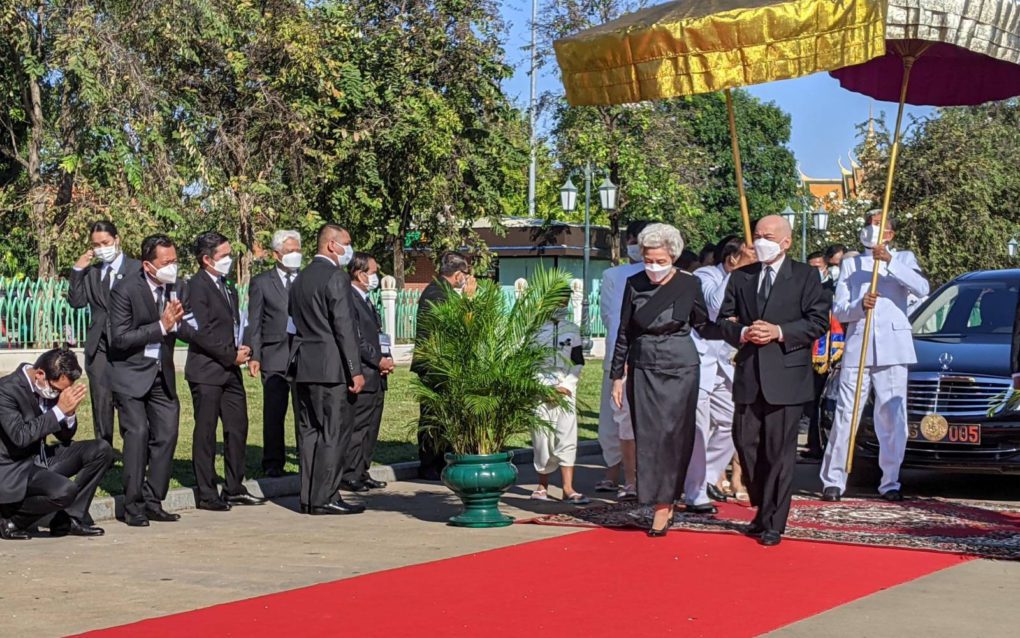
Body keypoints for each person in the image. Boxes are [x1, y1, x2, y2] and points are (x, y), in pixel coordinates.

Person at [715, 215, 829, 546]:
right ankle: (763, 507)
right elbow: (723, 320)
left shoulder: (806, 277)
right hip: (750, 373)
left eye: (767, 236)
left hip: (787, 374)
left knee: (780, 452)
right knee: (746, 442)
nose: (760, 241)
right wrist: (743, 332)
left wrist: (780, 332)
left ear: (785, 242)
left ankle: (774, 522)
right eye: (757, 235)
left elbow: (818, 321)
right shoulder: (742, 277)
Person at [610, 223, 715, 537]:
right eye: (649, 260)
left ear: (673, 256)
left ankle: (664, 503)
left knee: (674, 436)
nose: (654, 267)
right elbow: (624, 332)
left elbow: (704, 325)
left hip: (681, 366)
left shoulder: (689, 284)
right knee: (649, 437)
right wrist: (617, 375)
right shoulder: (634, 283)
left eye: (660, 260)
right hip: (643, 366)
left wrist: (739, 332)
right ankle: (653, 497)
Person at [820, 212, 929, 502]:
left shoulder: (904, 258)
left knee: (892, 415)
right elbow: (840, 309)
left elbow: (923, 289)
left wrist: (890, 262)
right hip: (860, 345)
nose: (871, 228)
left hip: (893, 346)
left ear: (890, 234)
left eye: (878, 224)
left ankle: (890, 480)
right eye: (868, 222)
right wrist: (859, 305)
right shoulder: (851, 264)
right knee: (846, 412)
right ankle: (834, 479)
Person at [108, 234, 213, 527]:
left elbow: (186, 326)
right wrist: (160, 326)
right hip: (130, 374)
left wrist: (186, 327)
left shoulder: (177, 287)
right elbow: (119, 338)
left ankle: (154, 499)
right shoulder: (125, 290)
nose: (172, 267)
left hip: (161, 374)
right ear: (147, 265)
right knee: (138, 434)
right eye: (166, 262)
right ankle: (133, 506)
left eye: (175, 260)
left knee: (166, 435)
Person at [289, 224, 366, 515]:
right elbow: (344, 327)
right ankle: (327, 496)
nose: (350, 249)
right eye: (346, 243)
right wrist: (354, 369)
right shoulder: (336, 277)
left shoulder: (301, 278)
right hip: (332, 369)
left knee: (309, 433)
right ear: (332, 245)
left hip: (305, 365)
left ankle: (309, 497)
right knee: (334, 432)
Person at [184, 231, 265, 511]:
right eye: (224, 255)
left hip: (231, 370)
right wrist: (230, 354)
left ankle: (234, 485)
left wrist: (241, 350)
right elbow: (201, 331)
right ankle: (207, 492)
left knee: (237, 427)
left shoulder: (226, 285)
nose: (229, 260)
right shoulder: (195, 287)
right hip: (207, 370)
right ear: (207, 259)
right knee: (206, 432)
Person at [0, 348, 112, 540]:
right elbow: (20, 436)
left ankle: (69, 518)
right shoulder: (7, 390)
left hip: (40, 459)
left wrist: (68, 414)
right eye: (56, 390)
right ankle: (13, 521)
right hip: (14, 468)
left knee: (101, 450)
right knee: (65, 490)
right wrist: (59, 410)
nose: (57, 395)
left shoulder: (49, 389)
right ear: (40, 374)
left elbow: (65, 436)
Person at [684, 236, 755, 512]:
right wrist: (737, 272)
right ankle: (696, 491)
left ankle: (709, 473)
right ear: (732, 258)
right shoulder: (705, 275)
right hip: (701, 360)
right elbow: (714, 305)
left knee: (730, 423)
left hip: (726, 360)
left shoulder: (747, 278)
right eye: (747, 254)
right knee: (700, 428)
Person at [67, 220, 140, 444]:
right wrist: (78, 269)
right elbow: (77, 302)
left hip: (128, 345)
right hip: (98, 347)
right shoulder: (92, 273)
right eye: (96, 245)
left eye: (105, 242)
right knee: (101, 401)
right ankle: (103, 450)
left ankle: (135, 449)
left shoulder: (136, 269)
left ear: (116, 240)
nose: (101, 248)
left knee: (128, 401)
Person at [410, 251, 475, 481]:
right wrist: (468, 300)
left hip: (440, 363)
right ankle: (429, 463)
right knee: (432, 415)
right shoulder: (439, 294)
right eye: (465, 274)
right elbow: (456, 326)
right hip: (435, 365)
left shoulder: (440, 290)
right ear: (458, 274)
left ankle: (437, 460)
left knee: (440, 415)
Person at [245, 229, 303, 477]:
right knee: (274, 411)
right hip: (274, 355)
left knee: (305, 411)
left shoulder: (306, 279)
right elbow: (254, 321)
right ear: (276, 254)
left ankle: (307, 459)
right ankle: (272, 463)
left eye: (298, 250)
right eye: (290, 251)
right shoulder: (261, 282)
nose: (295, 255)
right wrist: (254, 355)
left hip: (302, 354)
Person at [597, 221, 648, 499]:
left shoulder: (667, 274)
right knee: (612, 417)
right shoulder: (613, 275)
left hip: (650, 356)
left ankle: (643, 474)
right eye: (632, 239)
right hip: (618, 353)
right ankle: (612, 471)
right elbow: (608, 316)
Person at [340, 253, 394, 493]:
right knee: (359, 426)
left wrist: (387, 357)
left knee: (372, 426)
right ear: (360, 274)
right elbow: (357, 340)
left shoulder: (368, 299)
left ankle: (363, 470)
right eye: (373, 272)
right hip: (364, 371)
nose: (376, 277)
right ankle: (350, 473)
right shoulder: (350, 299)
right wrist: (377, 360)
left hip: (378, 375)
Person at [530, 302, 587, 504]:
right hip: (541, 393)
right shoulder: (534, 330)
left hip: (566, 392)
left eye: (564, 302)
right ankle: (542, 486)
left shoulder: (572, 329)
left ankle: (568, 488)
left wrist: (567, 385)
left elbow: (578, 361)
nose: (559, 306)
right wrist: (544, 387)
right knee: (541, 439)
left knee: (567, 437)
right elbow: (529, 362)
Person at [802, 251, 839, 461]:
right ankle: (814, 443)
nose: (814, 271)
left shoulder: (832, 291)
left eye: (818, 266)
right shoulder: (804, 288)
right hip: (811, 350)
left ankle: (824, 445)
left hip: (832, 352)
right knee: (813, 400)